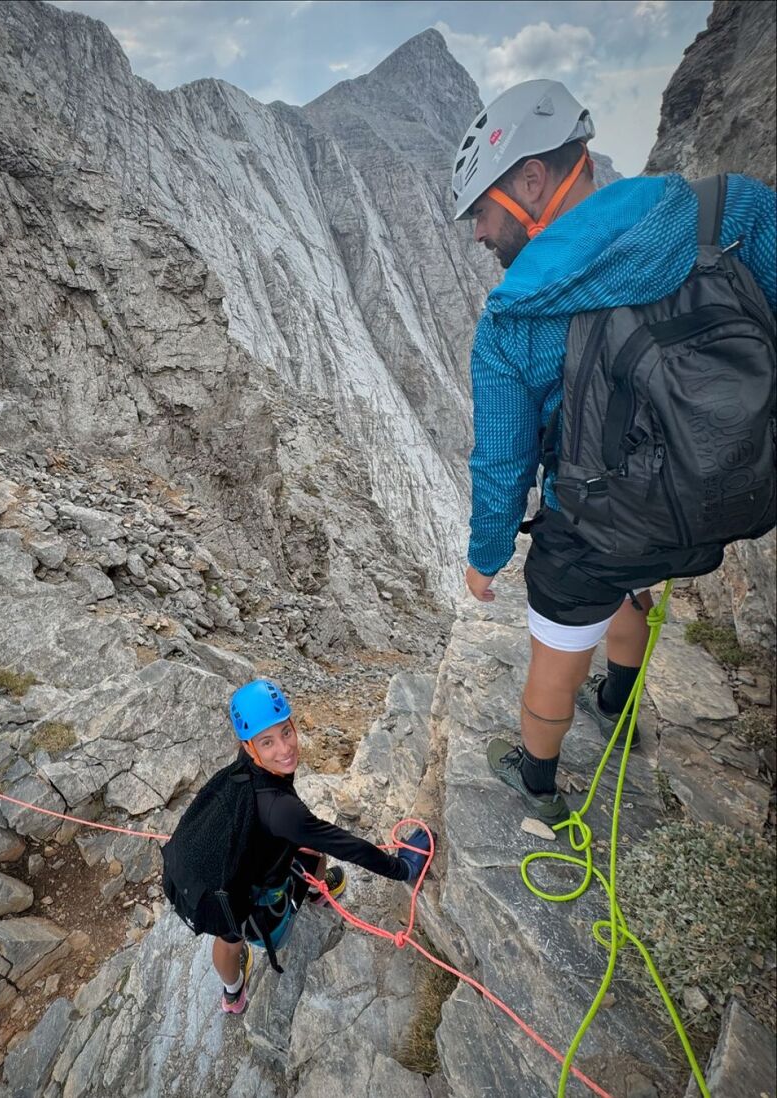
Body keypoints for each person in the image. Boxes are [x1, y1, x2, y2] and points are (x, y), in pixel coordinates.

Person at [451, 79, 776, 825]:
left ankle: (535, 777)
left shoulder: (514, 320)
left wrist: (485, 555)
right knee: (642, 573)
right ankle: (622, 704)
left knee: (559, 639)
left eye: (482, 209)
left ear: (533, 178)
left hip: (604, 528)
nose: (477, 234)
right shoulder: (730, 211)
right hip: (727, 497)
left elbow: (501, 464)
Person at [214, 679, 431, 1014]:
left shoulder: (236, 775)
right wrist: (402, 868)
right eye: (268, 741)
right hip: (266, 920)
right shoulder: (282, 810)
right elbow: (345, 845)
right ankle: (315, 893)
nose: (285, 749)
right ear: (249, 746)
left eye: (286, 732)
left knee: (228, 935)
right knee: (315, 849)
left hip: (223, 899)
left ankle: (232, 994)